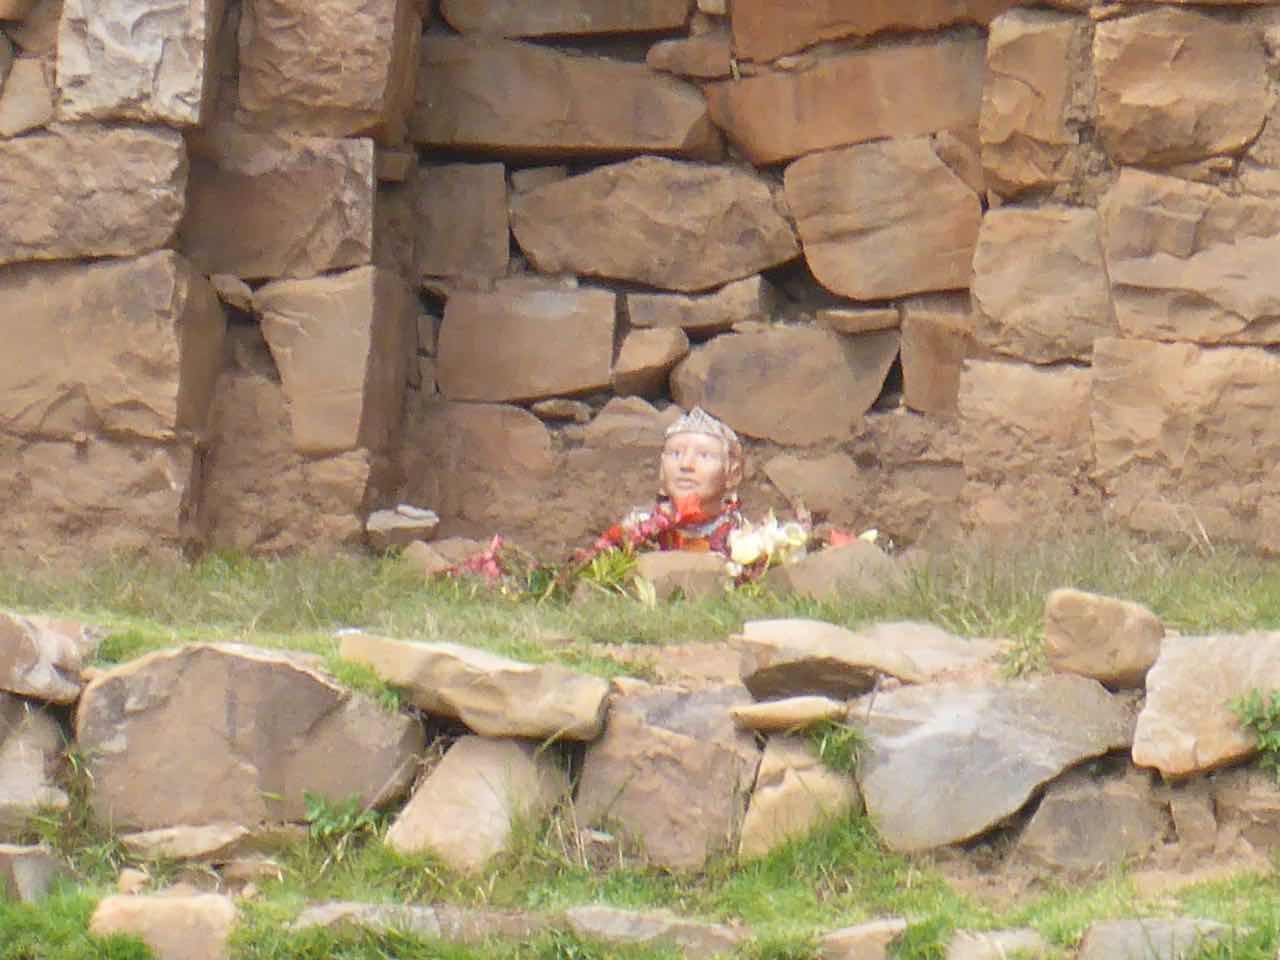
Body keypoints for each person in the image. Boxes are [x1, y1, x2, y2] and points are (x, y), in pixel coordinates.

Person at [580, 406, 746, 558]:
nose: (686, 465)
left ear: (733, 474)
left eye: (704, 455)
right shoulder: (637, 526)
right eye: (675, 454)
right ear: (662, 470)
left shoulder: (741, 535)